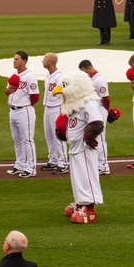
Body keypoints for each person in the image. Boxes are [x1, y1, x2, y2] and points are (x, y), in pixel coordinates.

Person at [56, 72, 105, 224]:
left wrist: (88, 137)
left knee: (86, 176)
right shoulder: (73, 104)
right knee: (77, 178)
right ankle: (80, 202)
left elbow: (96, 122)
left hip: (85, 148)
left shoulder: (88, 102)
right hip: (75, 147)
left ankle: (89, 209)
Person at [6, 51, 39, 178]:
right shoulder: (13, 75)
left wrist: (26, 106)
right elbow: (7, 91)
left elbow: (35, 96)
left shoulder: (30, 76)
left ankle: (31, 168)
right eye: (14, 59)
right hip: (13, 111)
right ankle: (19, 165)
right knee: (17, 139)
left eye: (17, 59)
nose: (14, 61)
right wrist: (7, 91)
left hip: (24, 111)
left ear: (24, 61)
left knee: (27, 140)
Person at [40, 53, 69, 176]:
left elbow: (67, 91)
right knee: (48, 135)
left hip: (57, 109)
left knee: (58, 136)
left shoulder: (60, 77)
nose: (43, 61)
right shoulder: (48, 75)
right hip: (48, 108)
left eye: (45, 59)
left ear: (50, 61)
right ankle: (53, 159)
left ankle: (63, 163)